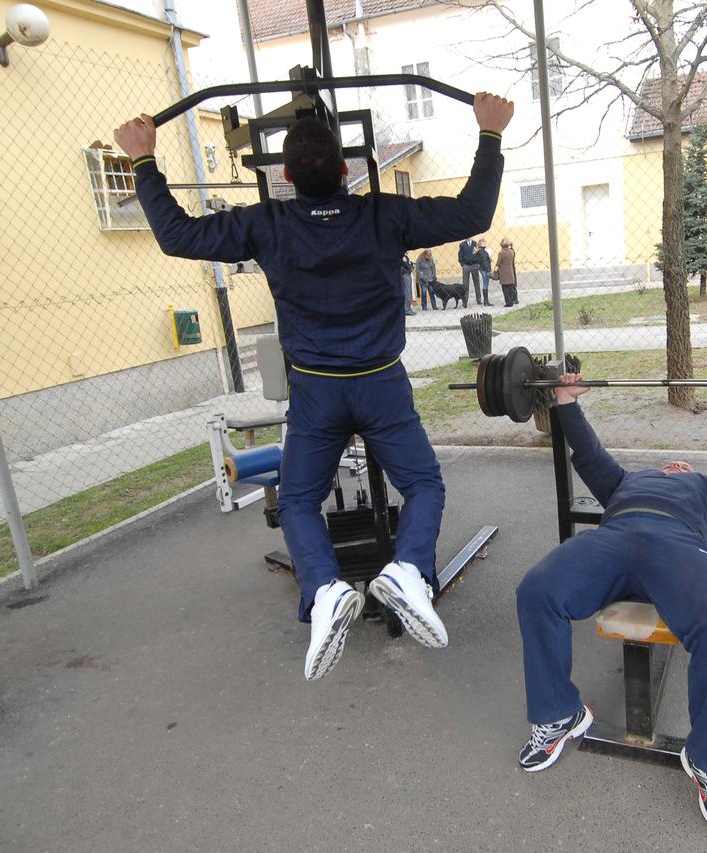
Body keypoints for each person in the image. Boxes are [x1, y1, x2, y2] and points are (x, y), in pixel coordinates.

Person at [114, 93, 515, 682]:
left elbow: (178, 235)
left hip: (317, 391)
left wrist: (145, 161)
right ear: (347, 171)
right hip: (379, 384)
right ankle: (407, 569)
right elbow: (473, 212)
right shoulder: (384, 214)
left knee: (300, 498)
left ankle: (325, 589)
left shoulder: (266, 223)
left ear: (287, 177)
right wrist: (489, 134)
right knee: (423, 483)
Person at [514, 373, 707, 837]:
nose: (674, 464)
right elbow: (589, 455)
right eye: (667, 463)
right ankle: (560, 714)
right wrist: (565, 401)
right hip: (614, 538)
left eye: (681, 464)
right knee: (537, 591)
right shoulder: (625, 481)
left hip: (677, 547)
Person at [458, 236, 481, 306]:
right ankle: (465, 301)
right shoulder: (462, 244)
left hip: (474, 265)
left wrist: (477, 263)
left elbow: (478, 254)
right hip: (466, 266)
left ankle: (479, 300)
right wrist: (462, 265)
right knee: (465, 285)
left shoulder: (475, 243)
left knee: (477, 283)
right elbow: (460, 255)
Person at [495, 238, 517, 307]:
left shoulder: (501, 252)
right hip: (510, 270)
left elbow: (498, 262)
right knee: (510, 287)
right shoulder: (511, 251)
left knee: (505, 288)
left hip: (503, 271)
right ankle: (512, 300)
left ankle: (508, 302)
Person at [476, 238, 493, 306]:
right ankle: (486, 301)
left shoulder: (480, 251)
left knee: (485, 284)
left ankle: (486, 301)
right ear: (481, 244)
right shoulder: (482, 252)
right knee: (485, 284)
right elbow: (484, 262)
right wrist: (488, 271)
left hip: (482, 269)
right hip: (485, 270)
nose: (485, 243)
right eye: (484, 242)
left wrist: (489, 259)